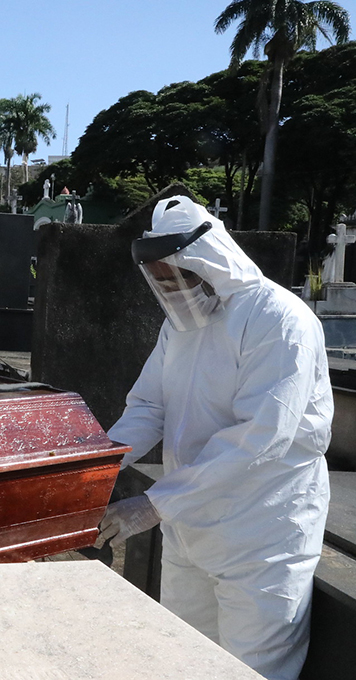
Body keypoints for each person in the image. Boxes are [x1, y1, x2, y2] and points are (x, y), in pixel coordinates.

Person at [99, 196, 332, 680]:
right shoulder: (179, 326)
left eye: (175, 276)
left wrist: (152, 505)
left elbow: (260, 436)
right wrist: (97, 466)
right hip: (189, 528)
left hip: (261, 535)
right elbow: (148, 407)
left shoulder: (279, 320)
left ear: (208, 263)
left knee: (252, 669)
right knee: (184, 659)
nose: (169, 288)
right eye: (159, 280)